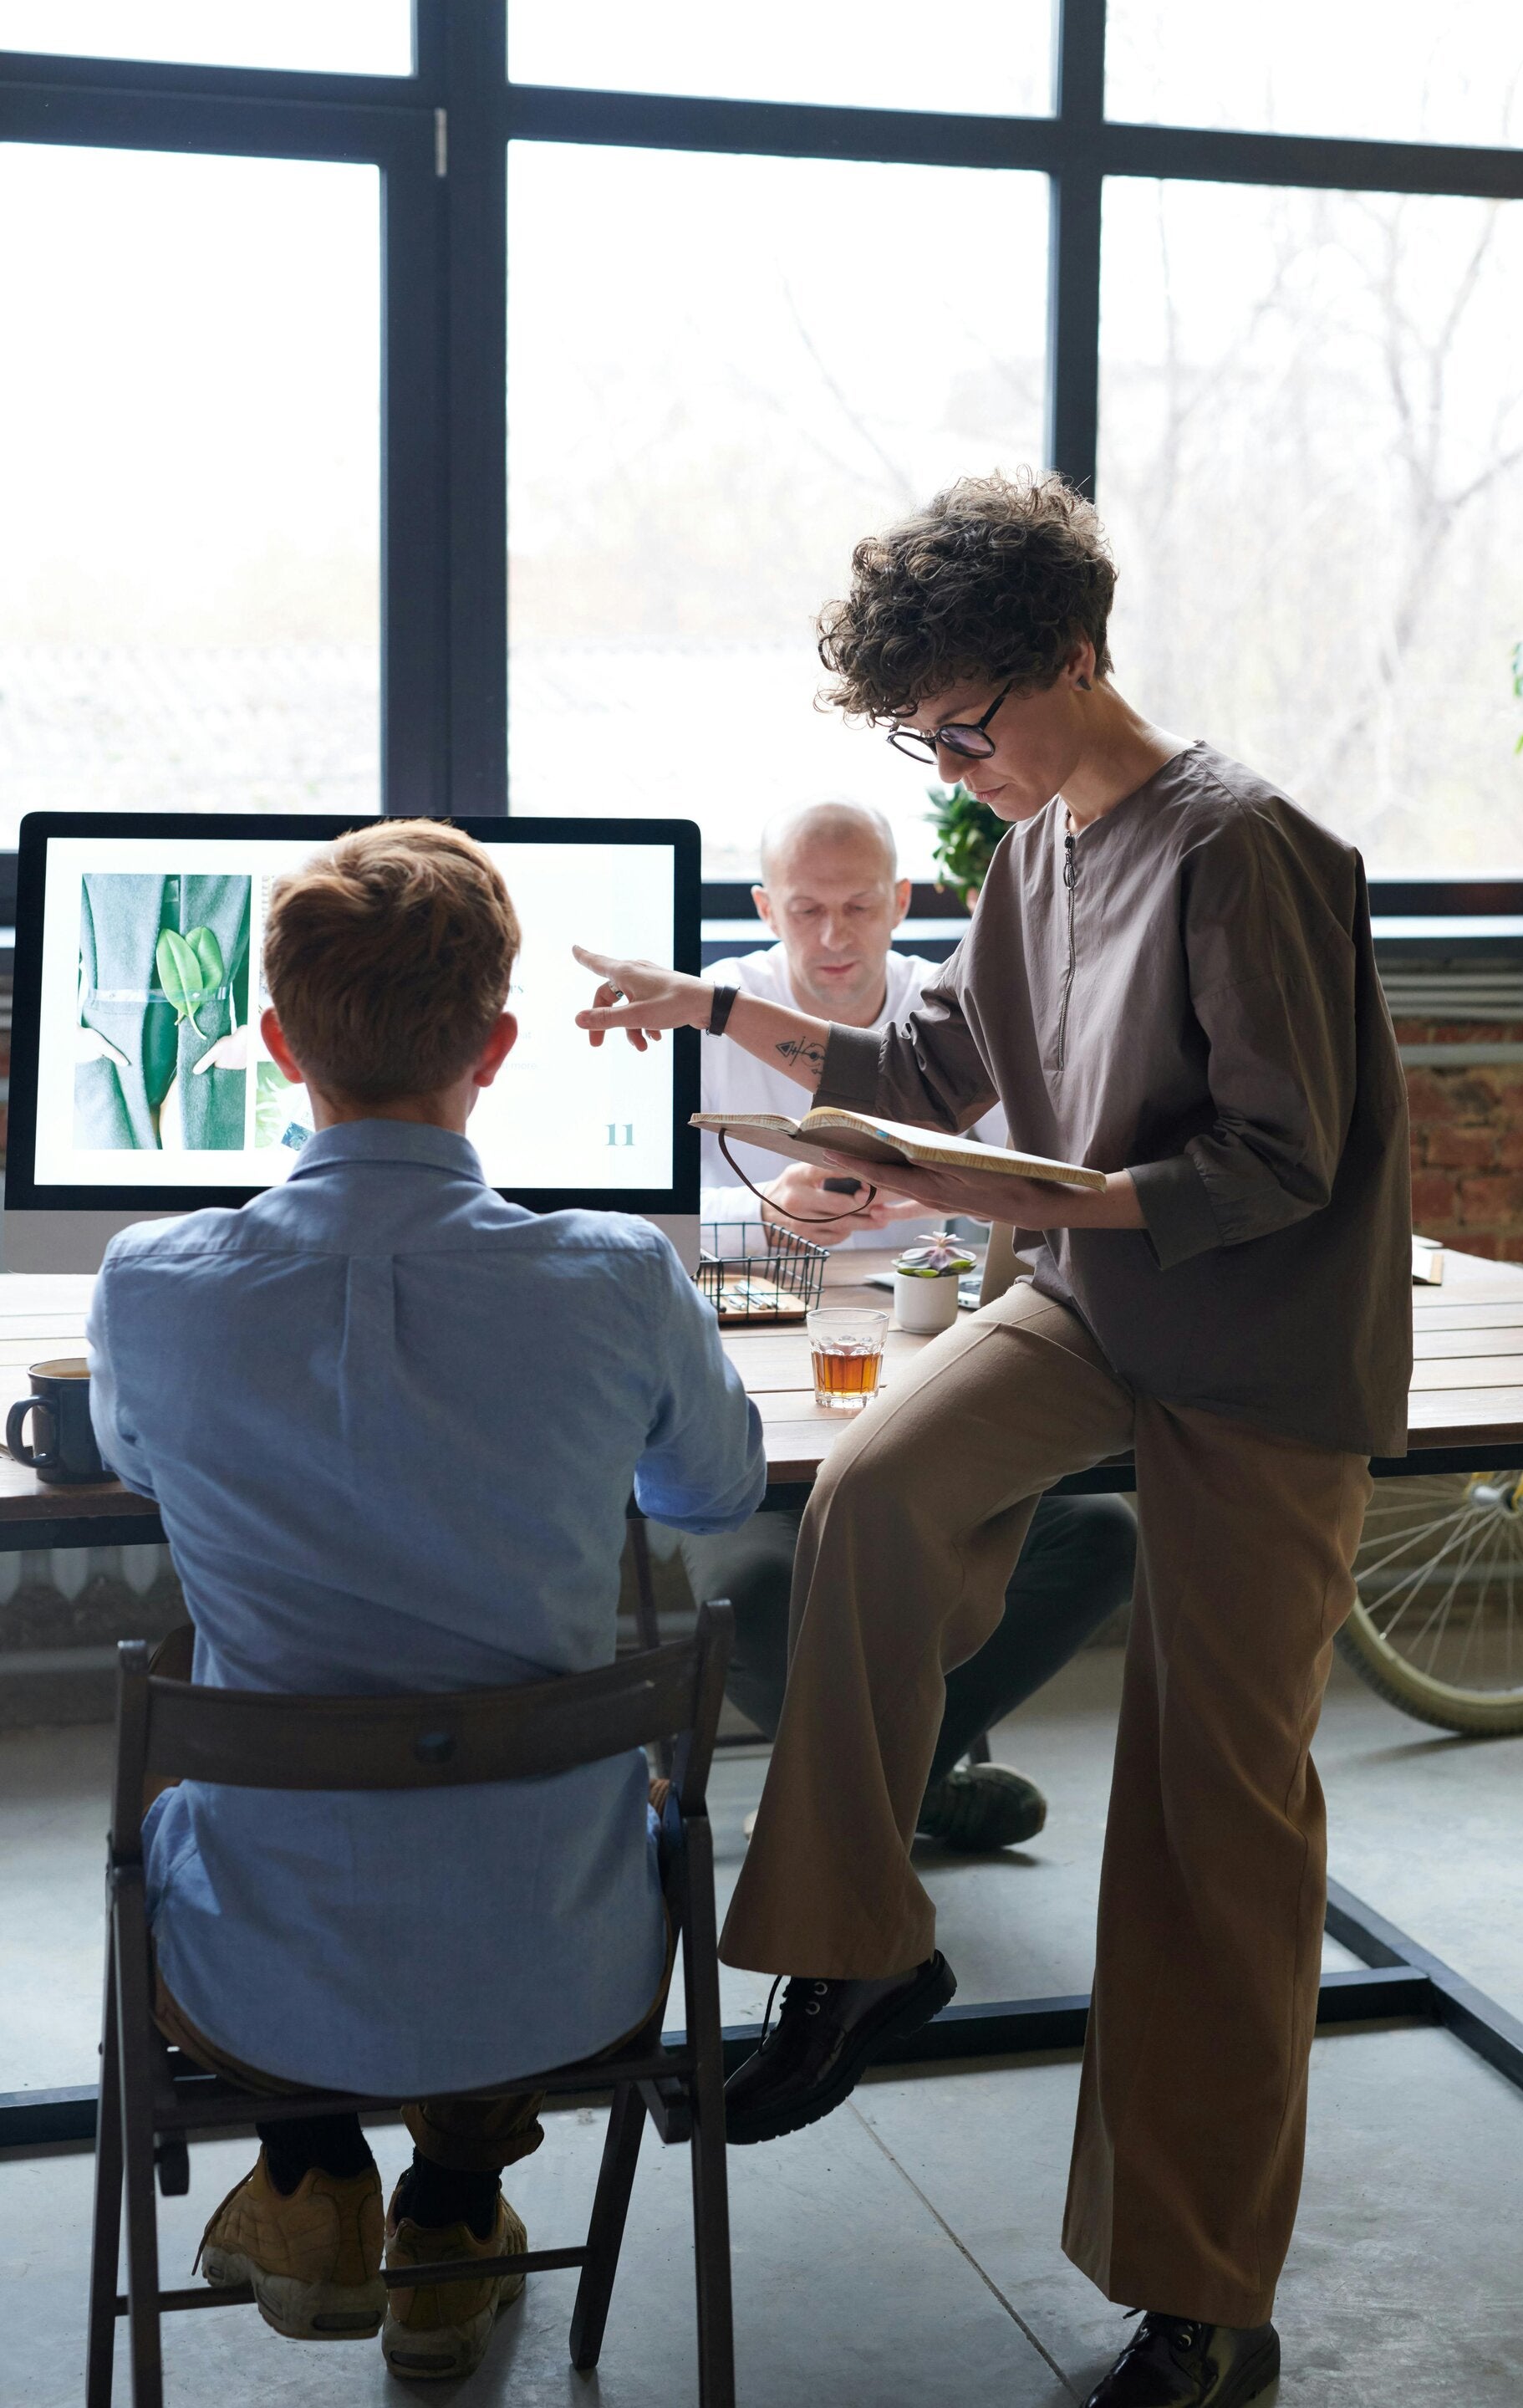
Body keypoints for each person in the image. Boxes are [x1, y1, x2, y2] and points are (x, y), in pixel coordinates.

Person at [575, 470, 1411, 2408]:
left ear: (1074, 655)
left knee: (1210, 1820)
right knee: (873, 1491)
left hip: (1261, 1351)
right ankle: (860, 1947)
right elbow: (937, 1065)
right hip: (1098, 1301)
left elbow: (1279, 1161)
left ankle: (1204, 2302)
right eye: (924, 743)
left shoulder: (1245, 847)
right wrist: (714, 1007)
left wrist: (1025, 1189)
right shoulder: (1035, 851)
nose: (956, 768)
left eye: (967, 727)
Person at [88, 822, 764, 2382]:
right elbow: (712, 1495)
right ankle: (452, 2216)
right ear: (497, 1048)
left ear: (278, 1046)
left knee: (215, 1775)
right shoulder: (616, 1275)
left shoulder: (151, 1281)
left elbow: (131, 1458)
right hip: (569, 1967)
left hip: (249, 1982)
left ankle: (311, 2171)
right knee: (521, 1789)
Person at [691, 795, 1137, 1852]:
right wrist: (767, 1209)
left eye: (858, 907)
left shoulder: (956, 1016)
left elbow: (1036, 1190)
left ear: (900, 901)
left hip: (934, 1369)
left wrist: (953, 1194)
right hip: (756, 1390)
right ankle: (907, 1789)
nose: (834, 937)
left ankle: (868, 1789)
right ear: (764, 908)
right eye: (807, 910)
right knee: (756, 1587)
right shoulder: (716, 1015)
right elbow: (644, 1229)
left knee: (1103, 1538)